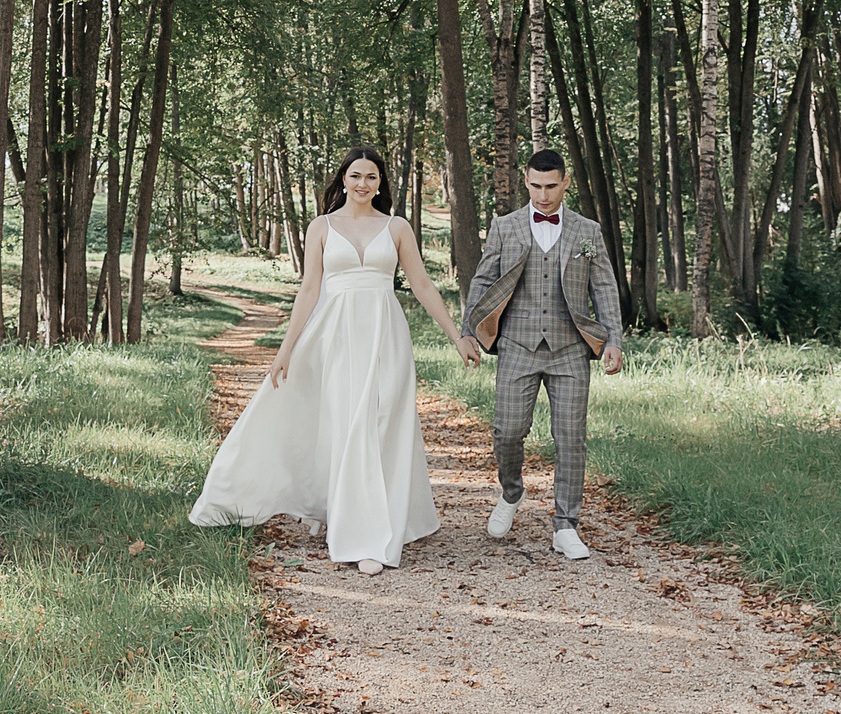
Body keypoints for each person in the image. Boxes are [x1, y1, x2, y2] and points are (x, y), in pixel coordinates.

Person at [191, 146, 481, 574]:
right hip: (336, 336)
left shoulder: (396, 227)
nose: (363, 184)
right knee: (349, 425)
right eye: (356, 176)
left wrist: (456, 335)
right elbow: (309, 290)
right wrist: (285, 349)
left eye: (372, 177)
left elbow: (421, 284)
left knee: (382, 425)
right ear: (343, 179)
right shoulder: (321, 227)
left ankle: (378, 521)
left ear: (381, 183)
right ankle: (358, 533)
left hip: (386, 334)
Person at [459, 148, 625, 561]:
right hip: (518, 344)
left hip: (570, 348)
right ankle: (512, 491)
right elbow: (482, 281)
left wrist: (614, 341)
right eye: (535, 186)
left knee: (570, 439)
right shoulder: (505, 226)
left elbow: (603, 287)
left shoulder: (588, 230)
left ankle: (565, 525)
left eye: (551, 186)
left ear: (565, 183)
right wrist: (468, 332)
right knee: (507, 431)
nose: (543, 195)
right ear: (525, 181)